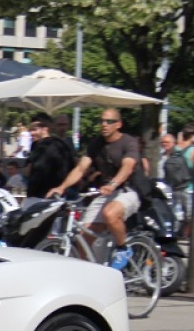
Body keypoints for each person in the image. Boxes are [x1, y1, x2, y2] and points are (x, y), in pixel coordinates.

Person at [49, 108, 142, 270]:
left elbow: (128, 166)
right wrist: (61, 187)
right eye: (102, 121)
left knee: (110, 213)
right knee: (83, 240)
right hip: (105, 193)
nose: (104, 125)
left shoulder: (128, 142)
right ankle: (88, 278)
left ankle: (123, 248)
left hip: (128, 190)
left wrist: (113, 184)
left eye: (109, 121)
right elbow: (80, 169)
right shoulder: (96, 143)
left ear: (119, 124)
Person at [25, 112, 77, 202]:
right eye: (30, 130)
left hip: (41, 197)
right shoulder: (61, 145)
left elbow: (31, 171)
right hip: (59, 196)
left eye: (34, 130)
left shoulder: (43, 146)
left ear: (45, 129)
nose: (31, 133)